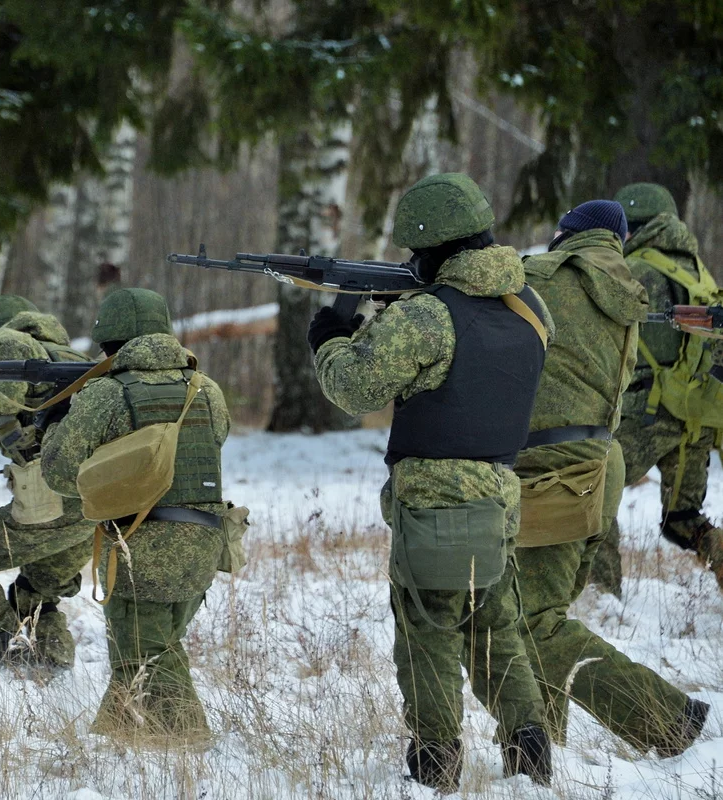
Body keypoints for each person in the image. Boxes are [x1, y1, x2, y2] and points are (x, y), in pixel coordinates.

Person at [310, 173, 553, 792]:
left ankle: (435, 764)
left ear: (431, 248)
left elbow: (354, 388)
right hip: (500, 494)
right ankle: (530, 754)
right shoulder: (530, 307)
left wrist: (331, 341)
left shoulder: (427, 318)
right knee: (496, 628)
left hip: (432, 506)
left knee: (428, 634)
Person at [514, 200, 709, 756]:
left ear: (564, 235)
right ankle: (537, 749)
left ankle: (666, 717)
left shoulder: (542, 280)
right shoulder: (628, 290)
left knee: (535, 624)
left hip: (553, 471)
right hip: (601, 468)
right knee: (539, 615)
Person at [41, 288, 237, 744]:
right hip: (205, 544)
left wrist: (54, 424)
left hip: (140, 546)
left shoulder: (106, 394)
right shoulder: (205, 389)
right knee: (145, 647)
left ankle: (189, 745)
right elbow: (214, 442)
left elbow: (60, 472)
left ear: (108, 341)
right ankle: (113, 737)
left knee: (146, 654)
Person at [0, 295, 95, 670]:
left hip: (55, 499)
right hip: (99, 502)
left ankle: (17, 660)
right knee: (37, 592)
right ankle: (54, 672)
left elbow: (21, 441)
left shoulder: (8, 344)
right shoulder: (70, 360)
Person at [591, 183, 723, 596]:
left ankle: (601, 595)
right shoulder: (698, 271)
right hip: (697, 421)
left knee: (593, 486)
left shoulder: (635, 272)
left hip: (648, 415)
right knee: (682, 520)